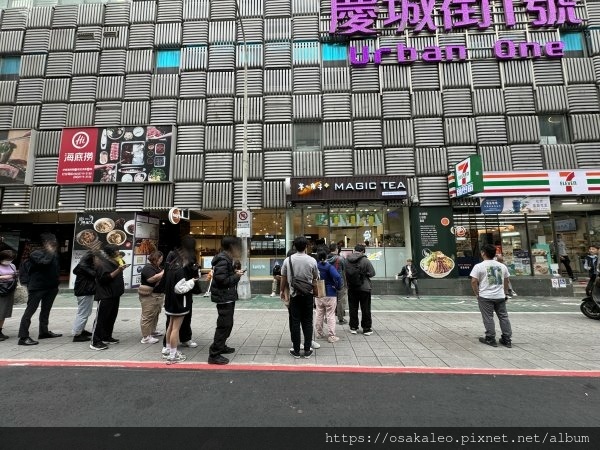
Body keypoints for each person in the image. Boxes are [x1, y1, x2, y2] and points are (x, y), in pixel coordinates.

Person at [18, 233, 62, 346]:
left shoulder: (54, 254)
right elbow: (44, 263)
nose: (54, 244)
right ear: (45, 243)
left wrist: (57, 283)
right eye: (51, 242)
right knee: (30, 311)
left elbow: (55, 269)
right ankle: (23, 337)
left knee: (46, 311)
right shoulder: (35, 253)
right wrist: (51, 252)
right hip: (37, 287)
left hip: (51, 287)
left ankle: (44, 332)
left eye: (55, 242)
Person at [280, 236, 319, 358]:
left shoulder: (288, 260)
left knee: (295, 322)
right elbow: (315, 277)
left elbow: (283, 277)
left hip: (294, 295)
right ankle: (307, 349)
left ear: (294, 246)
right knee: (308, 322)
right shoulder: (312, 260)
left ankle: (296, 350)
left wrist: (281, 290)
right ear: (306, 246)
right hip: (308, 295)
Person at [208, 236, 244, 365]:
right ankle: (214, 354)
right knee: (224, 325)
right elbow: (222, 280)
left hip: (226, 296)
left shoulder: (226, 258)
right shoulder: (223, 259)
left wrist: (234, 273)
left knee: (227, 324)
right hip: (224, 297)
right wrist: (236, 276)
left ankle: (221, 346)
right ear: (231, 247)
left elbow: (223, 277)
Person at [161, 236, 199, 356]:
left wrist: (195, 269)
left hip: (184, 291)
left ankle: (184, 338)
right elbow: (168, 274)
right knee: (173, 322)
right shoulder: (173, 255)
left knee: (186, 317)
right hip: (179, 290)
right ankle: (170, 348)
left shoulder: (189, 256)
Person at [470, 243, 513, 348]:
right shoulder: (502, 266)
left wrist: (477, 293)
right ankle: (507, 339)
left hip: (485, 296)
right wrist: (505, 292)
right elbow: (506, 280)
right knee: (503, 317)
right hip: (500, 296)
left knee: (488, 317)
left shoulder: (479, 266)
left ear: (483, 253)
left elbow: (473, 281)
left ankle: (490, 338)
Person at [90, 244, 126, 351]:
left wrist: (121, 265)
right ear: (110, 253)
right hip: (105, 295)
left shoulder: (114, 261)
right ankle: (95, 341)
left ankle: (106, 336)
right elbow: (104, 279)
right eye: (116, 251)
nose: (118, 253)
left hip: (115, 293)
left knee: (111, 317)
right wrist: (118, 270)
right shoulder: (102, 263)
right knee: (101, 318)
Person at [346, 244, 376, 336]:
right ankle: (366, 329)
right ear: (363, 251)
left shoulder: (347, 260)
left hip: (351, 287)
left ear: (354, 250)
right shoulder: (365, 260)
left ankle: (353, 327)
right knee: (366, 308)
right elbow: (372, 273)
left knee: (353, 308)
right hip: (364, 288)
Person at [315, 249, 342, 343]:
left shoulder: (316, 266)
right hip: (330, 293)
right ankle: (331, 335)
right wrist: (338, 286)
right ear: (326, 257)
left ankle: (319, 333)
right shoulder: (329, 267)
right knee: (330, 315)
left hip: (318, 292)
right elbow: (337, 276)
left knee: (319, 313)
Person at [139, 251, 165, 344]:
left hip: (158, 295)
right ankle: (146, 337)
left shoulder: (157, 267)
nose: (161, 261)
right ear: (155, 258)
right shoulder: (148, 267)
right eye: (160, 259)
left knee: (155, 314)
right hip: (149, 295)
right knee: (147, 315)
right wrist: (164, 272)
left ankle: (152, 331)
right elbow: (151, 279)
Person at [72, 251, 96, 342]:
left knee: (85, 312)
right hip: (84, 292)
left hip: (84, 291)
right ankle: (77, 334)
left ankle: (81, 330)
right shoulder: (85, 267)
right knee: (83, 313)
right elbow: (94, 274)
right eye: (94, 258)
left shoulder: (83, 265)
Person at [327, 242, 348, 324]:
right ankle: (340, 318)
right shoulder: (341, 259)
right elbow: (344, 271)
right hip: (339, 282)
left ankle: (328, 318)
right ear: (336, 249)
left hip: (328, 282)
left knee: (328, 300)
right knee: (339, 300)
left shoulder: (325, 258)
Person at [0, 249, 18, 341]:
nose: (9, 261)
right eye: (7, 259)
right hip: (1, 291)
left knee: (4, 312)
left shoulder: (12, 266)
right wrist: (3, 277)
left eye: (11, 259)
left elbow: (15, 275)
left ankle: (0, 331)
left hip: (9, 291)